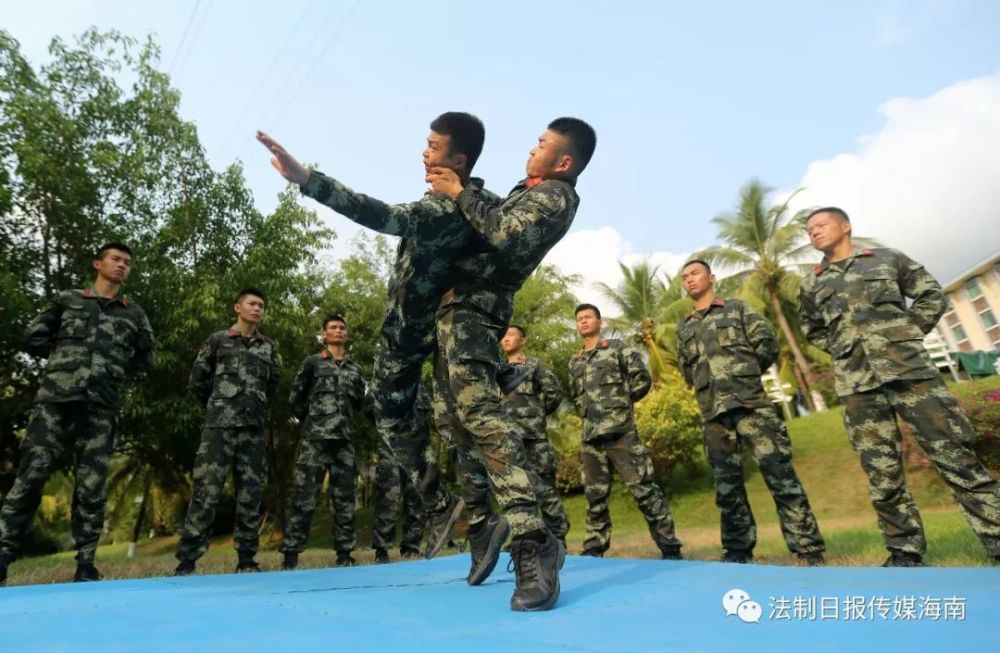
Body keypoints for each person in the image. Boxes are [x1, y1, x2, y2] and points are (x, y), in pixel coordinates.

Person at [257, 113, 497, 557]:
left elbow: (381, 214)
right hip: (434, 331)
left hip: (413, 333)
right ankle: (474, 520)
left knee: (392, 416)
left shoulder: (447, 207)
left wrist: (309, 180)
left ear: (458, 158)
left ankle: (445, 505)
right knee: (456, 429)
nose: (424, 152)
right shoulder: (472, 204)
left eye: (432, 145)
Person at [424, 117, 596, 611]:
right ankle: (487, 524)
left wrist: (459, 190)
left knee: (484, 423)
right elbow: (488, 217)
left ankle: (532, 541)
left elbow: (500, 232)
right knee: (455, 424)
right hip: (453, 315)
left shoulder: (555, 196)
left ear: (563, 161)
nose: (532, 148)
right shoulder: (530, 188)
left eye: (542, 144)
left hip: (477, 315)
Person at [799, 207, 1000, 566]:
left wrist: (905, 335)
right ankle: (904, 553)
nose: (814, 232)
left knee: (956, 457)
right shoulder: (812, 283)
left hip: (911, 374)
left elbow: (931, 296)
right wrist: (846, 351)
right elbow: (812, 329)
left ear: (846, 227)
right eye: (809, 229)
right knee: (882, 472)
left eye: (821, 225)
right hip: (859, 387)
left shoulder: (887, 260)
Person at [0, 244, 155, 586]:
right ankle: (3, 554)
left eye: (127, 263)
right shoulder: (68, 299)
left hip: (100, 408)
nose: (121, 266)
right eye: (115, 260)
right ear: (98, 263)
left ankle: (86, 562)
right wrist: (65, 363)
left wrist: (112, 374)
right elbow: (33, 336)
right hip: (55, 403)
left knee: (91, 486)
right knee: (31, 477)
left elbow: (146, 357)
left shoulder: (133, 314)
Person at [676, 260, 825, 565]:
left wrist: (742, 377)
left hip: (751, 405)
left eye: (695, 273)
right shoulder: (685, 326)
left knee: (779, 474)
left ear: (711, 278)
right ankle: (737, 549)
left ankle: (807, 548)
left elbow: (766, 344)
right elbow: (686, 369)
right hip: (713, 413)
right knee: (727, 487)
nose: (689, 280)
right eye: (684, 277)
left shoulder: (737, 309)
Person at [173, 288, 280, 576]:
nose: (257, 309)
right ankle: (187, 561)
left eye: (261, 305)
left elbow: (273, 384)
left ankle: (247, 560)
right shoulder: (218, 340)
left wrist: (253, 407)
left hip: (252, 431)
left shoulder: (267, 347)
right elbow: (198, 381)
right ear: (237, 307)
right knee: (206, 492)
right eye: (252, 304)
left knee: (250, 495)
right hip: (218, 430)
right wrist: (218, 407)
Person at [568, 303, 683, 561]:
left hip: (621, 433)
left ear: (600, 323)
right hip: (591, 438)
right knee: (594, 495)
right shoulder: (574, 361)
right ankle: (594, 549)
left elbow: (642, 379)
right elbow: (576, 398)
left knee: (643, 489)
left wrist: (619, 407)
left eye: (588, 317)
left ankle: (670, 546)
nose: (583, 322)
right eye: (579, 319)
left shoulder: (617, 349)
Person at [281, 314, 366, 570]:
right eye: (333, 328)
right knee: (304, 497)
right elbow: (296, 398)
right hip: (315, 441)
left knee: (345, 499)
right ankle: (291, 555)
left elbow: (359, 403)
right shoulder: (313, 363)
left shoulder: (355, 369)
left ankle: (344, 554)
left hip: (344, 442)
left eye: (342, 328)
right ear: (324, 334)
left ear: (346, 335)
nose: (338, 331)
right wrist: (311, 424)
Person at [500, 325, 570, 544]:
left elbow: (553, 391)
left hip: (533, 438)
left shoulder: (532, 366)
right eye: (503, 335)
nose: (506, 338)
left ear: (523, 340)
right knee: (515, 491)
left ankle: (558, 537)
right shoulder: (497, 370)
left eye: (511, 334)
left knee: (545, 488)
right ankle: (524, 538)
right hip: (507, 440)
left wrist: (538, 415)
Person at [371, 386, 432, 563]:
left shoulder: (421, 389)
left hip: (416, 449)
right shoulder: (384, 381)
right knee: (388, 500)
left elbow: (426, 418)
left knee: (417, 500)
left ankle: (411, 547)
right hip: (390, 448)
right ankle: (382, 550)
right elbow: (370, 409)